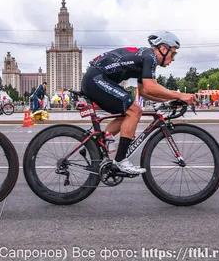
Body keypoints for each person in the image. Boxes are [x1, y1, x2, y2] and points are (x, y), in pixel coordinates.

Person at [82, 31, 196, 174]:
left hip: (96, 78)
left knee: (129, 112)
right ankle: (120, 161)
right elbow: (151, 87)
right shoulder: (150, 57)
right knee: (135, 110)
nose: (172, 59)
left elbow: (145, 92)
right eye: (173, 54)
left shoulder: (145, 57)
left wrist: (171, 99)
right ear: (164, 49)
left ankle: (96, 144)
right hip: (96, 79)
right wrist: (180, 95)